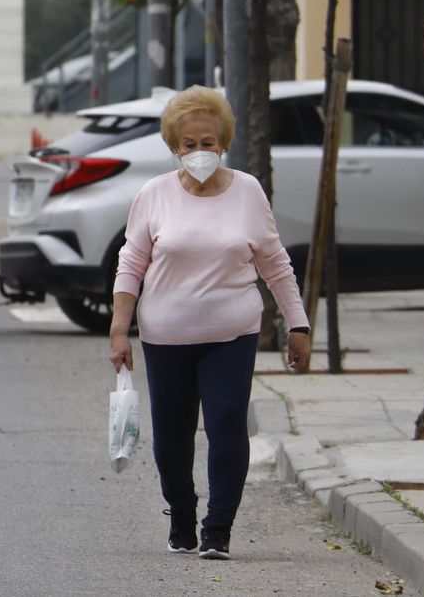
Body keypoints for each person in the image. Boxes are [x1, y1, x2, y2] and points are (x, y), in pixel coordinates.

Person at [108, 85, 312, 560]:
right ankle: (181, 513)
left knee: (225, 425)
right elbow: (131, 263)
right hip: (166, 334)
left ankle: (217, 528)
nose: (199, 152)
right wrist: (120, 328)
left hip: (232, 334)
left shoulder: (248, 192)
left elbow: (275, 264)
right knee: (173, 437)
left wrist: (297, 325)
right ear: (174, 147)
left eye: (208, 143)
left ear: (224, 144)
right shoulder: (153, 195)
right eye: (189, 144)